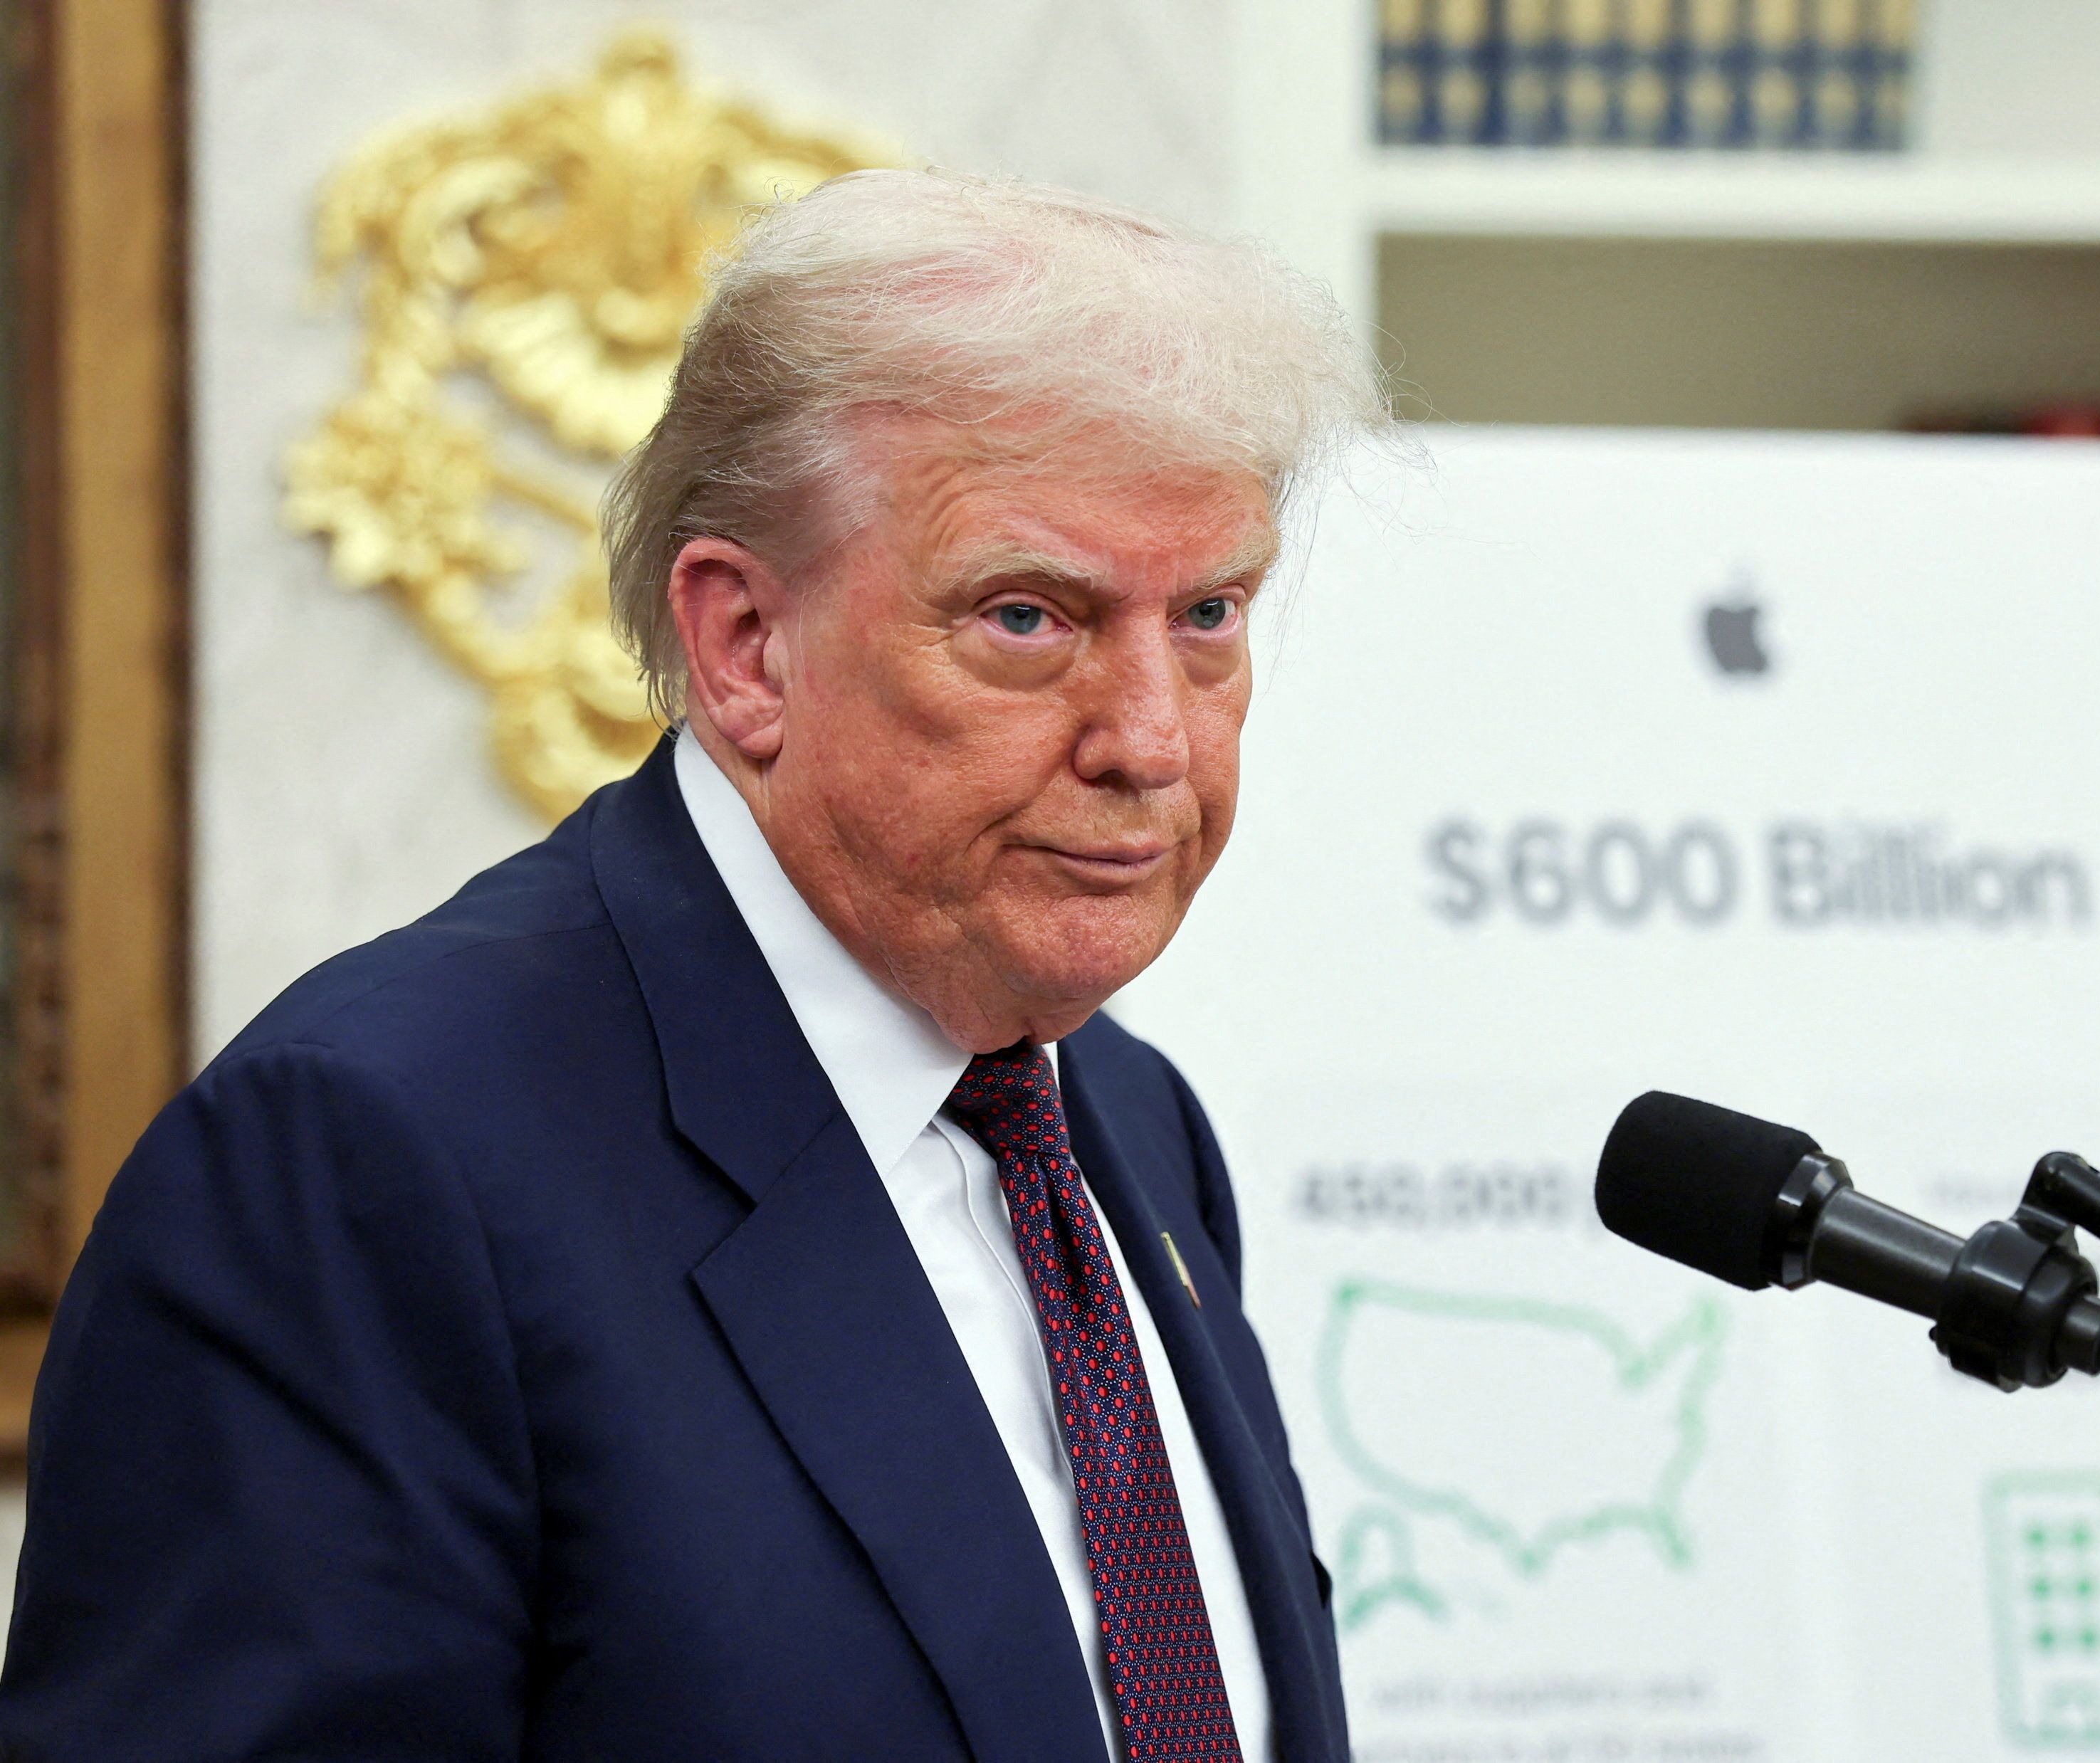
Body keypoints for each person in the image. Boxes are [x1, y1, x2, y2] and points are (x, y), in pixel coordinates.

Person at [0, 169, 1388, 1761]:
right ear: (745, 648)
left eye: (1209, 613)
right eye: (1027, 618)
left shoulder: (1123, 1120)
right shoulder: (369, 1160)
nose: (1151, 738)